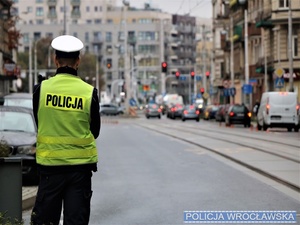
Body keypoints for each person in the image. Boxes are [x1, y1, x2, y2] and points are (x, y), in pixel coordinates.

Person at [31, 35, 100, 225]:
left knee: (45, 221)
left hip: (49, 169)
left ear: (55, 60)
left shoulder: (40, 90)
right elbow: (95, 130)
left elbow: (40, 122)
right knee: (76, 221)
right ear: (78, 62)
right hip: (80, 171)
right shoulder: (89, 92)